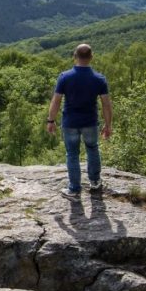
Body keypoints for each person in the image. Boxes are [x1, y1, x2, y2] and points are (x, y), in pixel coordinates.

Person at [46, 43, 112, 199]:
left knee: (72, 155)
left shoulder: (65, 77)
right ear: (91, 57)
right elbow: (106, 104)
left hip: (70, 123)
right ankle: (95, 182)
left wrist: (51, 120)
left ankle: (74, 189)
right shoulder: (99, 79)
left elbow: (56, 101)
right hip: (90, 122)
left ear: (74, 57)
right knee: (93, 149)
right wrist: (108, 125)